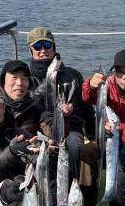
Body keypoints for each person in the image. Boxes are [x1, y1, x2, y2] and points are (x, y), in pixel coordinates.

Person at [26, 26, 93, 178]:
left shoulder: (73, 74)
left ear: (54, 47)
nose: (43, 50)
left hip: (70, 129)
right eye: (37, 46)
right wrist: (48, 81)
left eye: (47, 45)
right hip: (39, 130)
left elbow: (87, 108)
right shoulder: (26, 79)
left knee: (73, 148)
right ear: (31, 51)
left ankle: (73, 185)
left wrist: (93, 136)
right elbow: (28, 105)